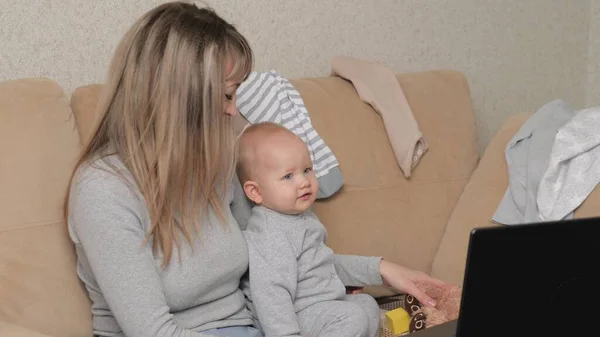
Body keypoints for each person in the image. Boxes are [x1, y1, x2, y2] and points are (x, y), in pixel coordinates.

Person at [65, 2, 447, 337]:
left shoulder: (213, 163)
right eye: (228, 94)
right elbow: (152, 331)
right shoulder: (103, 190)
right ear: (184, 98)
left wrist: (382, 270)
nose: (233, 110)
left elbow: (280, 255)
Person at [237, 122, 381, 337]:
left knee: (367, 305)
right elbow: (270, 292)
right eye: (288, 176)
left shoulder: (299, 214)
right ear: (256, 192)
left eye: (306, 170)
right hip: (296, 313)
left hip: (321, 303)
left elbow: (317, 263)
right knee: (351, 317)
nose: (304, 181)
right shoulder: (269, 231)